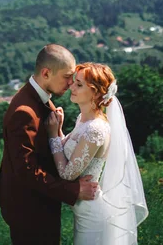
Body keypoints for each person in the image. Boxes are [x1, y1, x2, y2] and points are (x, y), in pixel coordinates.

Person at [0, 44, 99, 245]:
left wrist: (56, 132)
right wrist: (72, 190)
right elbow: (26, 169)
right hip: (29, 209)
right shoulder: (24, 111)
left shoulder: (40, 100)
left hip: (39, 202)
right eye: (67, 77)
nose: (71, 83)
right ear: (46, 73)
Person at [46, 62, 148, 244]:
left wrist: (53, 135)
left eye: (79, 84)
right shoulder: (83, 120)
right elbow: (72, 153)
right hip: (83, 210)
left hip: (92, 215)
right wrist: (60, 130)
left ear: (95, 92)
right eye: (74, 82)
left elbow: (67, 173)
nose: (71, 87)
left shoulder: (95, 130)